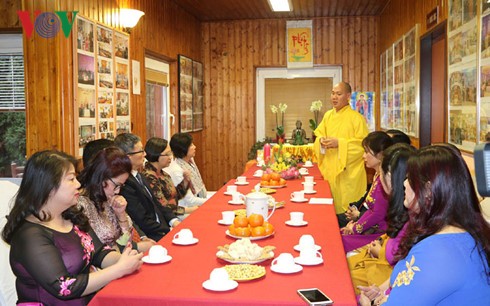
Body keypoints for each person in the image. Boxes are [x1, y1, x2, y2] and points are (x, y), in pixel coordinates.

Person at [1, 150, 143, 305]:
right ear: (49, 185)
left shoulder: (72, 216)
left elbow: (99, 253)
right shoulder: (30, 235)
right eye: (71, 179)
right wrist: (118, 270)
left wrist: (126, 261)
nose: (78, 184)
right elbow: (64, 287)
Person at [359, 145, 490, 305]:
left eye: (409, 179)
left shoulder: (439, 252)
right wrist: (383, 291)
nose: (404, 184)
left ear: (428, 190)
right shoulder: (456, 232)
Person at [347, 143, 415, 295]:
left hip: (385, 272)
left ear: (389, 176)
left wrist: (379, 250)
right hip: (382, 269)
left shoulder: (415, 215)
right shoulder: (407, 208)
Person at [77, 147, 155, 253]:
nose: (117, 191)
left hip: (121, 259)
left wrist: (121, 215)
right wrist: (136, 247)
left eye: (121, 186)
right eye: (116, 185)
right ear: (102, 176)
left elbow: (127, 242)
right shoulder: (81, 204)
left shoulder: (108, 198)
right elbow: (94, 251)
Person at [314, 82, 369, 214]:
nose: (334, 97)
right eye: (333, 93)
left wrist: (340, 143)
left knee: (345, 213)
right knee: (327, 210)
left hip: (348, 173)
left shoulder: (357, 118)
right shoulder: (328, 116)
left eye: (339, 94)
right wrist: (321, 141)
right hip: (329, 169)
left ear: (348, 96)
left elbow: (363, 147)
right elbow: (319, 135)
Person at [114, 133, 181, 242]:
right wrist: (168, 230)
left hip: (162, 228)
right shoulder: (124, 183)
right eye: (140, 151)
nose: (145, 154)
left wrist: (174, 221)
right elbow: (141, 219)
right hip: (151, 236)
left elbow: (157, 204)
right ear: (127, 156)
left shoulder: (138, 175)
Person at [340, 131, 393, 252]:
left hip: (378, 234)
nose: (363, 156)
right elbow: (371, 210)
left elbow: (377, 213)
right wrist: (355, 224)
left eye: (367, 152)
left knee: (340, 242)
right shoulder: (377, 175)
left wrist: (355, 228)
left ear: (380, 154)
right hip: (370, 228)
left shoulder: (384, 180)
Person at [142, 137, 198, 217]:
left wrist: (185, 182)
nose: (170, 157)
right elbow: (162, 206)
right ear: (156, 155)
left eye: (170, 153)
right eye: (167, 154)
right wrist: (189, 210)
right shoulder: (149, 177)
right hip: (165, 220)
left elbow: (174, 196)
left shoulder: (163, 173)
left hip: (173, 215)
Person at [165, 133, 208, 208]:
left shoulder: (190, 161)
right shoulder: (178, 170)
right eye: (191, 145)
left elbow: (200, 188)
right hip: (187, 209)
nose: (195, 147)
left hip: (198, 199)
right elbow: (190, 201)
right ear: (183, 149)